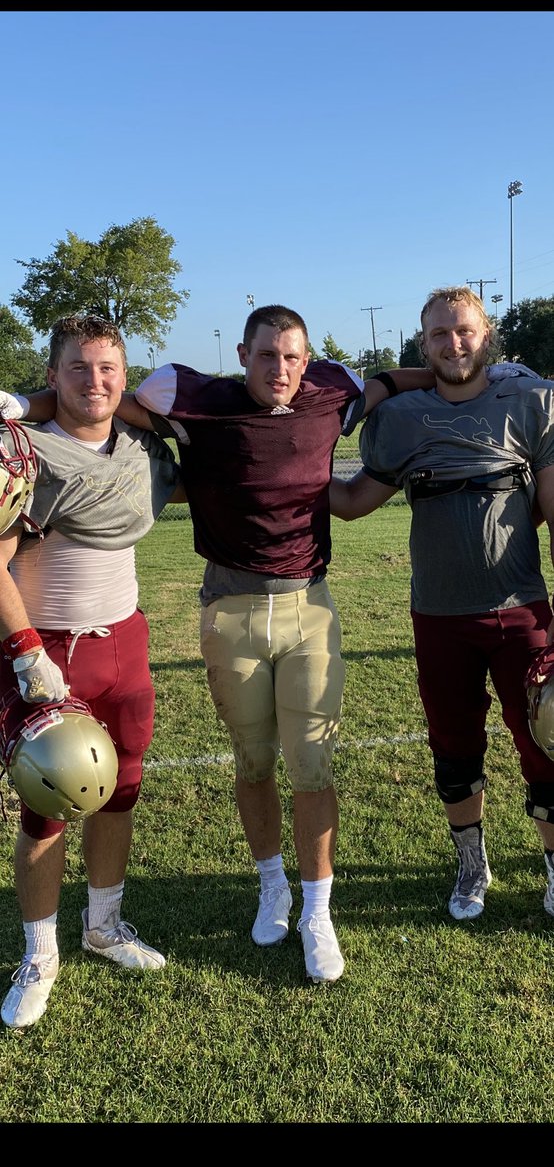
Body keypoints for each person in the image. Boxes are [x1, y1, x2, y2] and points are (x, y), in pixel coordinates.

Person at [105, 303, 437, 985]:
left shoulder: (331, 393)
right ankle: (271, 884)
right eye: (266, 355)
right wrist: (29, 401)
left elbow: (387, 384)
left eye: (292, 356)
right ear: (241, 353)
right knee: (253, 762)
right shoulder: (192, 399)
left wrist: (466, 372)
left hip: (308, 607)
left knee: (313, 765)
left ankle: (318, 909)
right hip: (228, 609)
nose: (280, 369)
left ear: (307, 358)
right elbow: (105, 397)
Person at [329, 285, 554, 924]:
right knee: (454, 746)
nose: (454, 343)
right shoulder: (403, 418)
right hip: (439, 616)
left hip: (522, 611)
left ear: (488, 338)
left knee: (546, 740)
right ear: (422, 346)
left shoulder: (530, 403)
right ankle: (471, 863)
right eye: (439, 334)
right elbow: (352, 502)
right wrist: (283, 468)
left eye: (465, 331)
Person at [0, 314, 185, 1030]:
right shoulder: (23, 449)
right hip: (49, 649)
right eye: (78, 367)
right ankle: (39, 954)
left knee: (120, 792)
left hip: (126, 641)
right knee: (47, 808)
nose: (94, 381)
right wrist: (24, 653)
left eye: (107, 367)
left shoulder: (140, 442)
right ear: (51, 375)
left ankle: (103, 926)